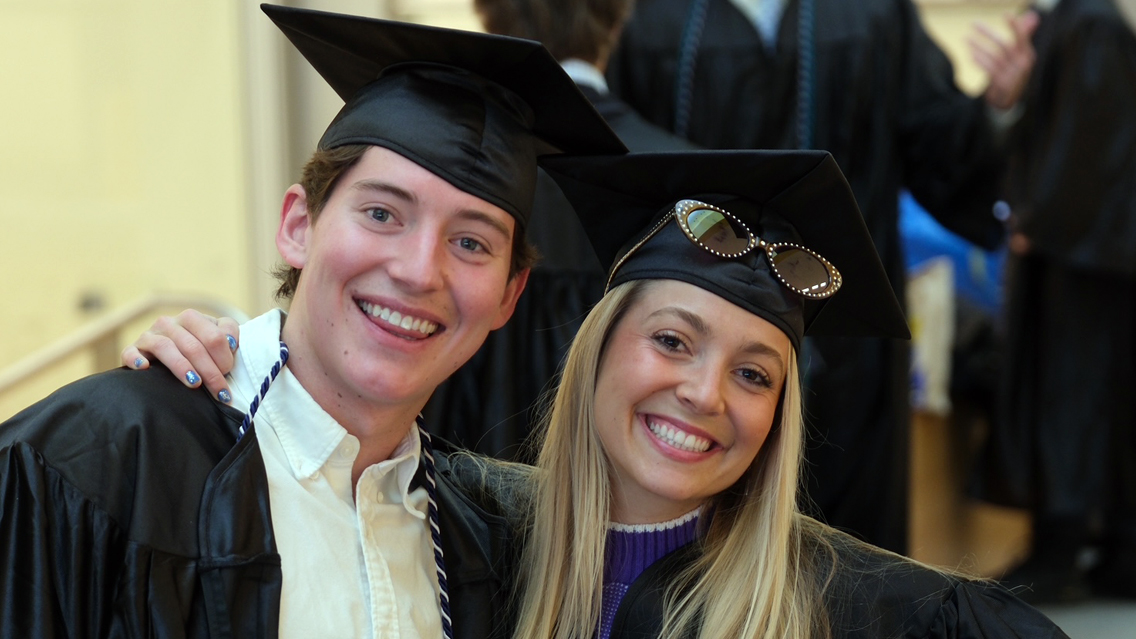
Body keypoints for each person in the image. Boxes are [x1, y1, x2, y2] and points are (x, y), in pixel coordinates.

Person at [135, 149, 1068, 638]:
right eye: (671, 340)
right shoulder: (466, 526)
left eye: (755, 373)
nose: (706, 393)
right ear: (599, 348)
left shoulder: (856, 602)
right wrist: (228, 357)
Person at [0, 5, 625, 638]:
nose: (418, 271)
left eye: (471, 243)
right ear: (299, 227)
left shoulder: (482, 541)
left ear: (509, 296)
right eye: (383, 214)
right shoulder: (98, 462)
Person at [603, 0, 1039, 553]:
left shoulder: (873, 14)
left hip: (845, 333)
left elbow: (942, 153)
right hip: (695, 332)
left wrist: (999, 110)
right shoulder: (649, 19)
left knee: (846, 544)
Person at [422, 0, 697, 459]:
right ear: (616, 22)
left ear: (487, 16)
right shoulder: (693, 181)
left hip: (467, 499)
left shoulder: (445, 168)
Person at [976, 0, 1136, 603]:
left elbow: (1090, 142)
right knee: (1103, 400)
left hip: (1082, 258)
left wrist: (1039, 218)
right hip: (1094, 253)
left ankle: (1060, 546)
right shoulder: (1083, 21)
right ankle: (1117, 549)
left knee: (1073, 396)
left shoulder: (1089, 22)